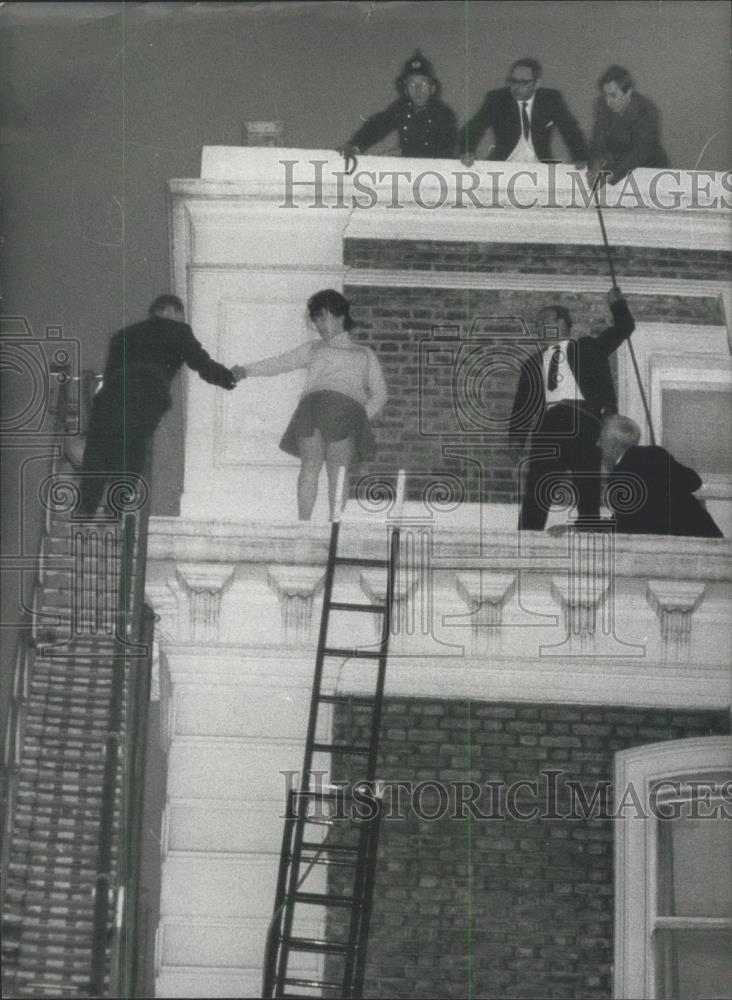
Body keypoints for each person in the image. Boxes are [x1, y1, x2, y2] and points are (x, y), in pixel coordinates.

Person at [232, 290, 387, 521]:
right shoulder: (314, 348)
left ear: (340, 315)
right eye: (316, 320)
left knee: (339, 473)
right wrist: (245, 370)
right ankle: (302, 525)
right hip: (312, 409)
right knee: (310, 466)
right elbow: (281, 362)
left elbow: (380, 394)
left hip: (347, 413)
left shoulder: (364, 353)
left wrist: (359, 417)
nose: (319, 326)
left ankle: (334, 529)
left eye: (323, 318)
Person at [79, 294, 236, 516]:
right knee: (133, 448)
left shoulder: (122, 335)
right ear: (169, 311)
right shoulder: (178, 331)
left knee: (97, 453)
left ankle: (85, 511)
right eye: (180, 316)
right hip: (146, 392)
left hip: (111, 396)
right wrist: (228, 378)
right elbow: (201, 363)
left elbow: (111, 373)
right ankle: (115, 512)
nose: (181, 321)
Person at [509, 287, 635, 531]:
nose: (537, 326)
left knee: (587, 487)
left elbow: (624, 328)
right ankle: (525, 541)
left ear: (562, 323)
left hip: (584, 421)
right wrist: (516, 443)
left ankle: (588, 532)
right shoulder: (532, 363)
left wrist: (617, 303)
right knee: (537, 489)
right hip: (549, 426)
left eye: (542, 321)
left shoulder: (588, 348)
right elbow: (522, 406)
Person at [599, 415, 722, 537]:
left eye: (601, 439)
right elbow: (694, 481)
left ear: (613, 443)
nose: (598, 444)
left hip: (688, 547)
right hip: (708, 538)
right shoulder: (655, 454)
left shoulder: (620, 475)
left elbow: (627, 528)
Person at [459, 57, 587, 165]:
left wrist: (580, 157)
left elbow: (571, 130)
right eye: (513, 81)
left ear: (537, 83)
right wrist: (466, 151)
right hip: (504, 165)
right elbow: (475, 127)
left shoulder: (551, 99)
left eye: (523, 82)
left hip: (540, 166)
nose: (516, 87)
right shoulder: (497, 99)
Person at [341, 51, 457, 160]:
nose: (418, 90)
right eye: (412, 84)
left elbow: (447, 151)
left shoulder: (444, 114)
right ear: (405, 90)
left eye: (423, 84)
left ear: (432, 88)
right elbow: (378, 125)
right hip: (408, 172)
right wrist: (355, 145)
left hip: (436, 174)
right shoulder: (401, 109)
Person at [590, 65, 668, 185]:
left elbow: (639, 152)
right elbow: (598, 140)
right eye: (605, 95)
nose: (607, 101)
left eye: (613, 95)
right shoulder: (602, 106)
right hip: (617, 170)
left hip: (651, 172)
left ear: (629, 93)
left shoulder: (647, 110)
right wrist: (595, 164)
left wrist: (609, 175)